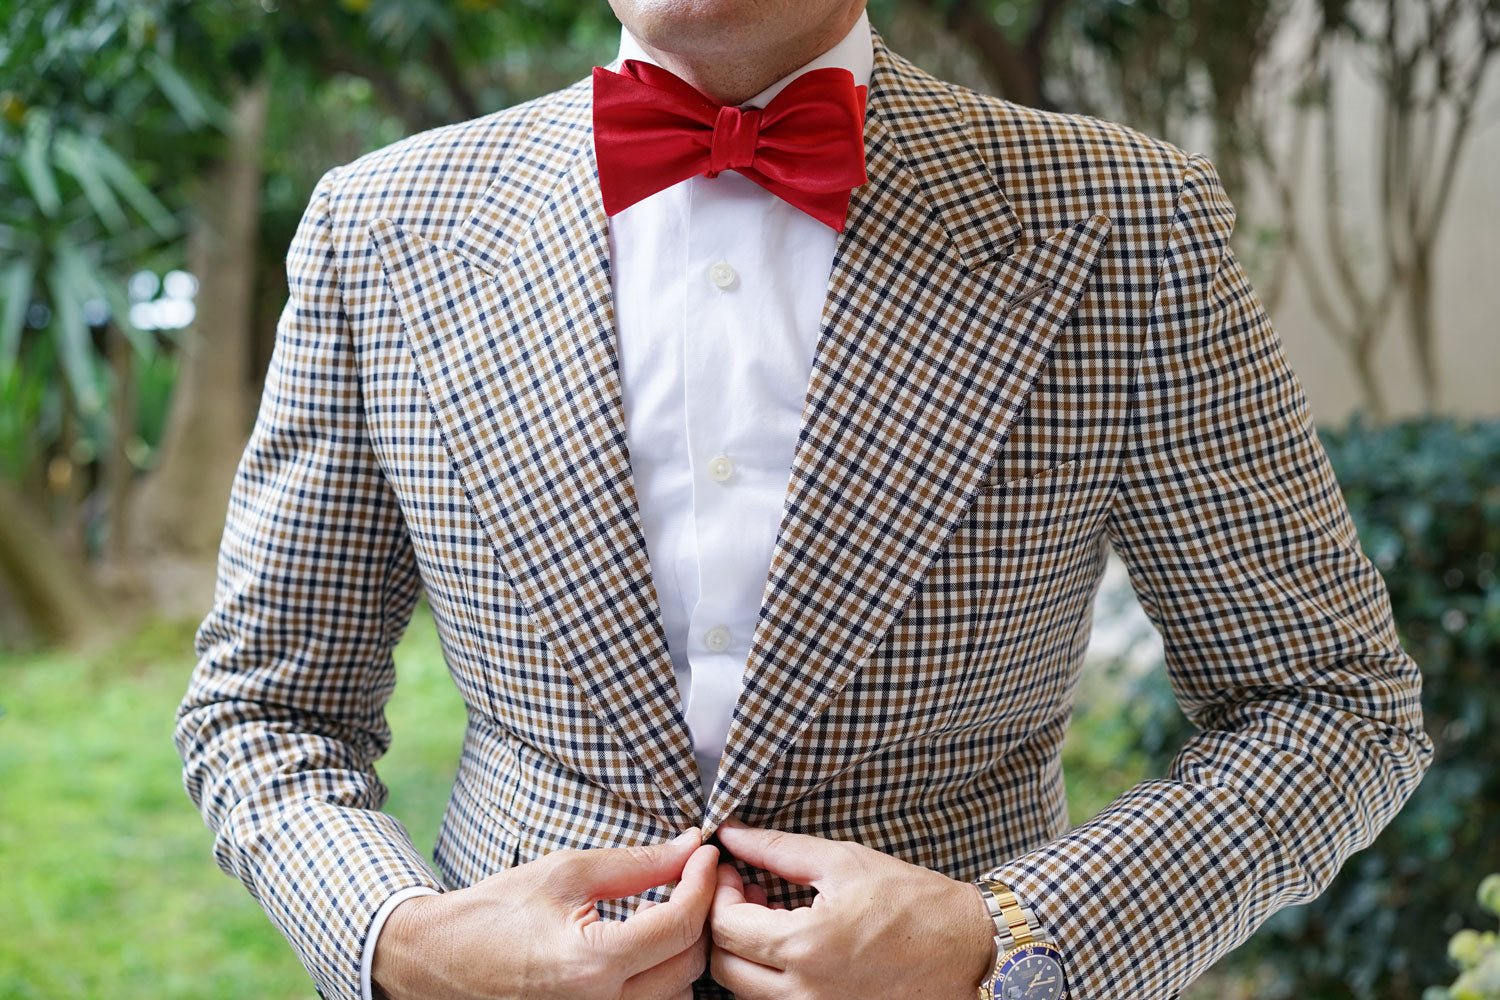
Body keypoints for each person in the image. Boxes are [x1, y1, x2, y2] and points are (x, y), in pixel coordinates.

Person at [174, 1, 1433, 998]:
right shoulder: (383, 229)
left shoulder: (1120, 221)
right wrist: (404, 941)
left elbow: (1329, 703)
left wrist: (1020, 940)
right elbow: (265, 711)